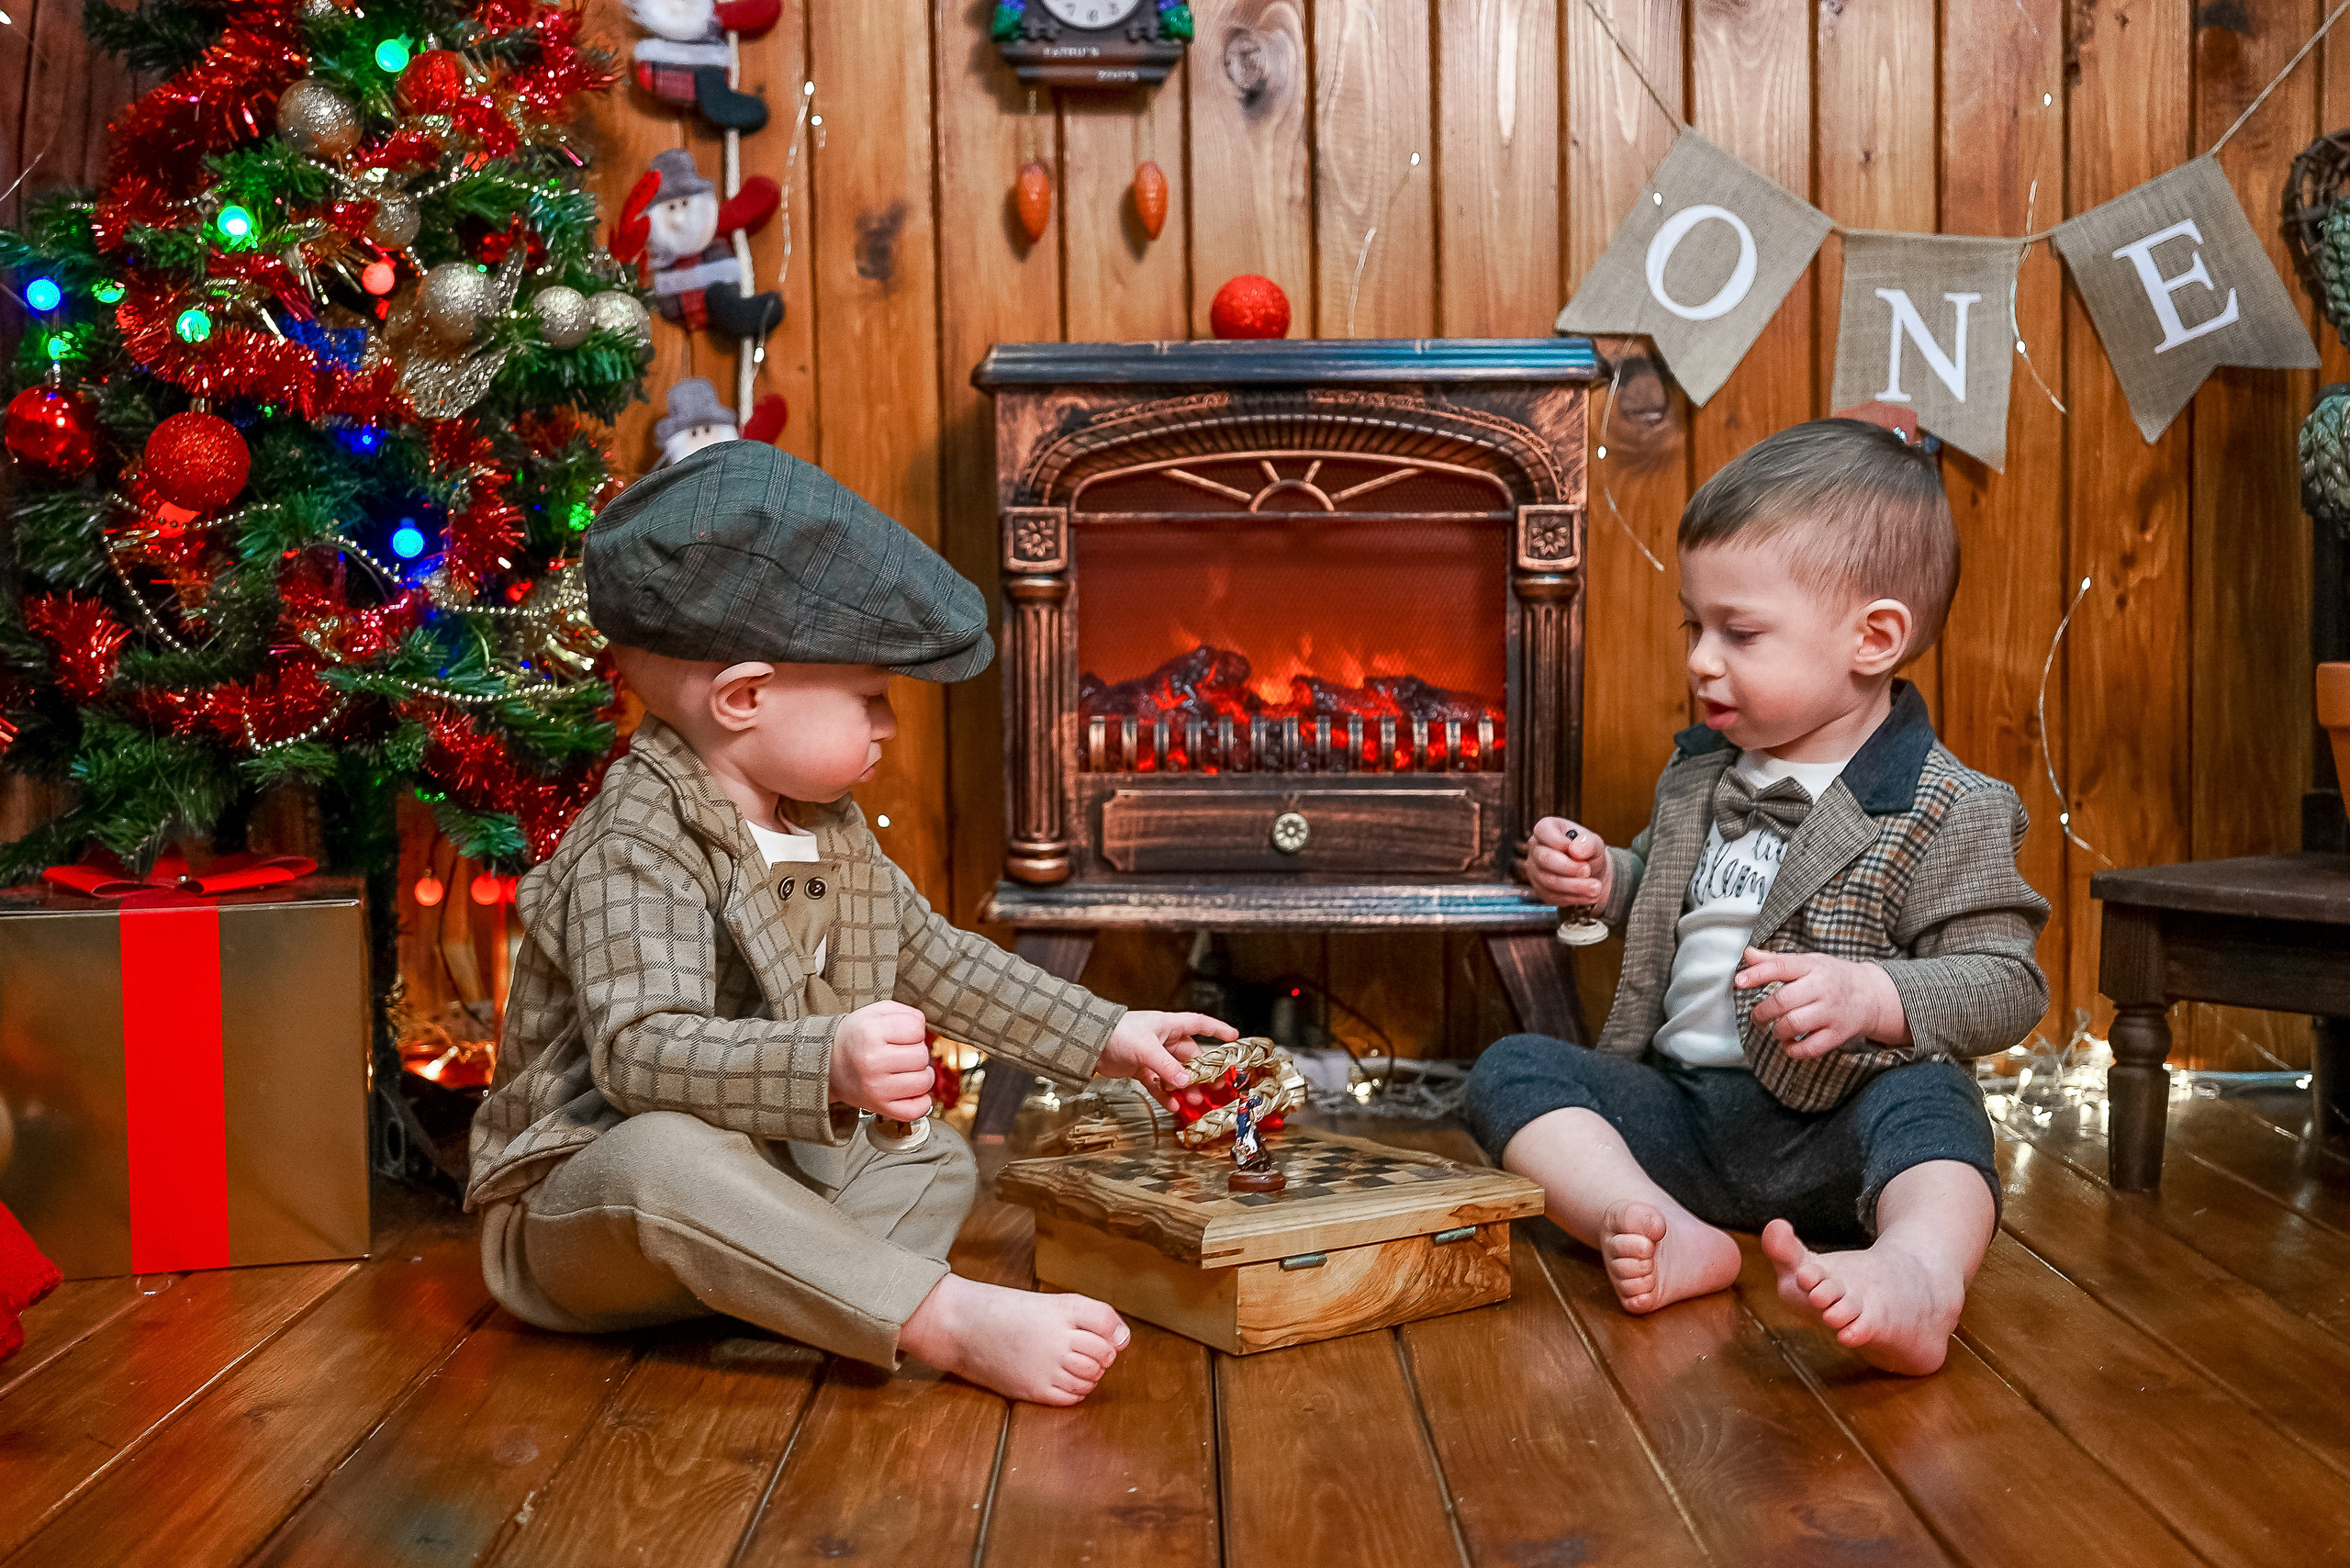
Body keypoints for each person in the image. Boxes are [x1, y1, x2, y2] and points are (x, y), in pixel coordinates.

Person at [464, 441, 1234, 1406]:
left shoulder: (823, 825)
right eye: (869, 699)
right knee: (663, 1158)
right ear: (744, 697)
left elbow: (934, 957)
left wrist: (1112, 1034)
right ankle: (936, 1316)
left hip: (754, 1179)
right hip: (590, 1211)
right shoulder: (638, 835)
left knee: (932, 1159)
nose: (889, 728)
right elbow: (639, 1054)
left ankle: (798, 1285)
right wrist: (827, 1061)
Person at [1463, 419, 2048, 1375]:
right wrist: (1607, 878)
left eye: (1739, 633)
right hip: (1682, 1115)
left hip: (1838, 1126)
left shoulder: (1947, 804)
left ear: (1874, 638)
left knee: (1936, 1110)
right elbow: (1671, 896)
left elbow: (2006, 983)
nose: (1700, 657)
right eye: (1694, 626)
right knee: (1512, 1070)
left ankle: (1915, 1272)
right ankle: (1647, 1218)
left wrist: (1877, 998)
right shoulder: (1702, 775)